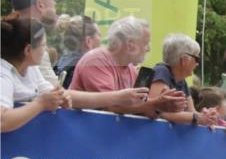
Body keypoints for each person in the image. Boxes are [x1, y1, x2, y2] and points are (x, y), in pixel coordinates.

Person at [1, 18, 149, 132]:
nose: (46, 49)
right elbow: (2, 120)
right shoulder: (3, 74)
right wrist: (40, 104)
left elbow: (61, 94)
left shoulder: (32, 69)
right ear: (28, 50)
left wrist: (62, 97)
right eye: (42, 45)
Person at [69, 16, 187, 117]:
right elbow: (110, 106)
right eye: (146, 43)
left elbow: (138, 108)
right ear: (130, 45)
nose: (149, 49)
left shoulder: (130, 69)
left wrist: (164, 105)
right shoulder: (96, 60)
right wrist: (156, 103)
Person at [148, 34, 218, 127]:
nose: (197, 64)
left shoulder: (181, 81)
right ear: (184, 59)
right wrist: (196, 117)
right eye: (197, 59)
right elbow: (153, 111)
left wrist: (206, 116)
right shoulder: (161, 71)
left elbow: (191, 112)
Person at [9, 0, 63, 85]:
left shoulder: (9, 34)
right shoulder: (33, 42)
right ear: (40, 5)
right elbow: (55, 93)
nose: (55, 3)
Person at [54, 15, 101, 88]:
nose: (100, 39)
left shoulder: (58, 65)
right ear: (88, 41)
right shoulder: (89, 69)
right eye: (99, 35)